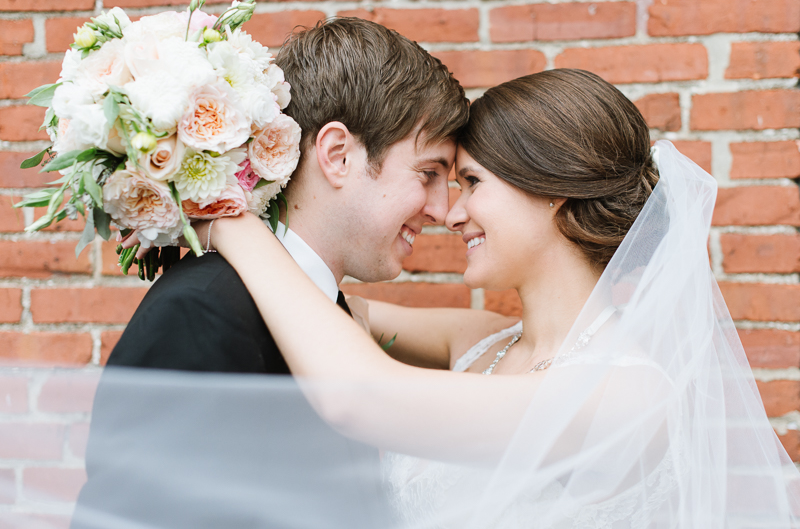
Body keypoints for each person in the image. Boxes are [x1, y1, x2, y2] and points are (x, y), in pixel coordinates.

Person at [195, 69, 800, 527]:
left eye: (473, 184)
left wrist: (228, 221)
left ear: (553, 191)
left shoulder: (628, 393)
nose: (451, 213)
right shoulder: (476, 340)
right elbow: (314, 299)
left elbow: (362, 397)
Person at [71, 17, 469, 529]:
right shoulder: (201, 309)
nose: (441, 209)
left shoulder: (331, 316)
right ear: (338, 155)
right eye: (429, 173)